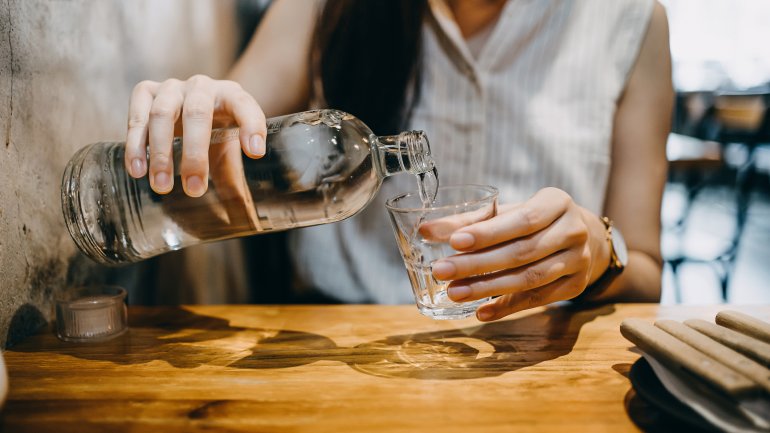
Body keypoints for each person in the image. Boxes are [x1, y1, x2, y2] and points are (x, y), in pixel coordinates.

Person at [123, 0, 673, 320]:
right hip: (340, 338)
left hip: (534, 350)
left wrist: (600, 249)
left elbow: (646, 270)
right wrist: (193, 117)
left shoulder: (629, 19)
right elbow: (228, 121)